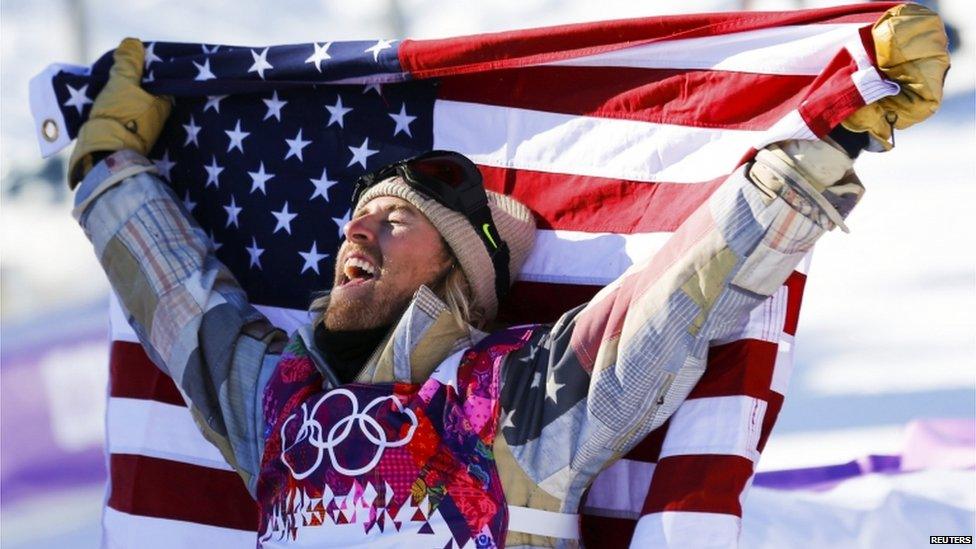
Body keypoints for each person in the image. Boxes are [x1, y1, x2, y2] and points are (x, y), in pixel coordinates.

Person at [68, 8, 948, 547]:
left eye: (396, 218)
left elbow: (683, 298)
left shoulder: (506, 406)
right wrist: (105, 165)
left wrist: (831, 135)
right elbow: (179, 296)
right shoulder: (277, 404)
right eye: (357, 217)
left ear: (458, 276)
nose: (356, 229)